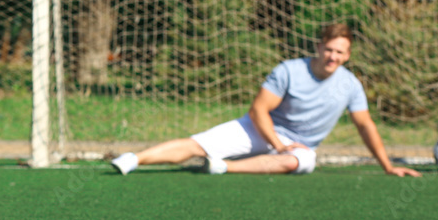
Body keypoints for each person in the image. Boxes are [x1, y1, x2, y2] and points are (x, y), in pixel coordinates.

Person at [110, 23, 421, 178]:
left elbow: (365, 125)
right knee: (196, 144)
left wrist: (387, 166)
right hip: (260, 128)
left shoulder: (350, 85)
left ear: (348, 55)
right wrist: (277, 141)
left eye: (340, 52)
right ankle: (132, 160)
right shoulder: (290, 70)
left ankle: (223, 167)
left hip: (299, 147)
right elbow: (258, 109)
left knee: (300, 161)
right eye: (329, 49)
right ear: (319, 46)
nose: (333, 56)